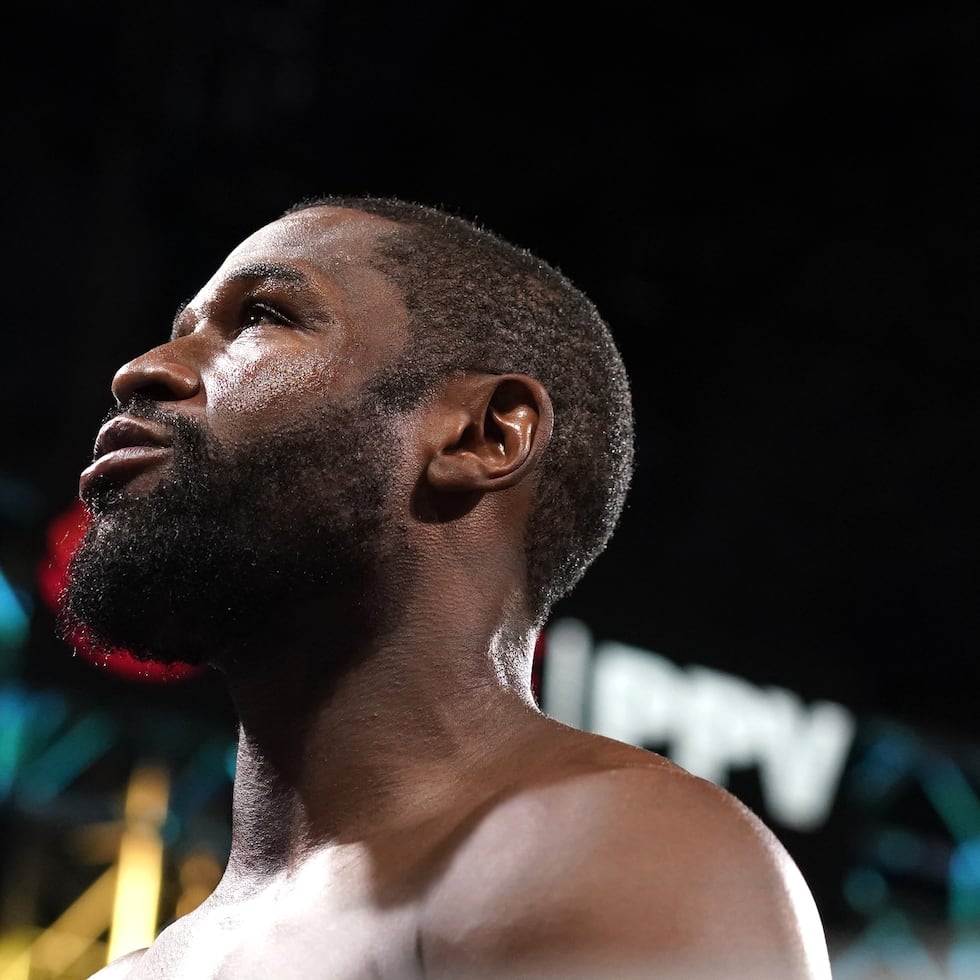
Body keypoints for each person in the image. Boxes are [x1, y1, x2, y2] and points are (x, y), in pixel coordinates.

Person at [63, 195, 832, 979]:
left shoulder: (616, 848)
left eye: (262, 316)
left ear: (483, 434)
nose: (144, 369)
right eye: (183, 326)